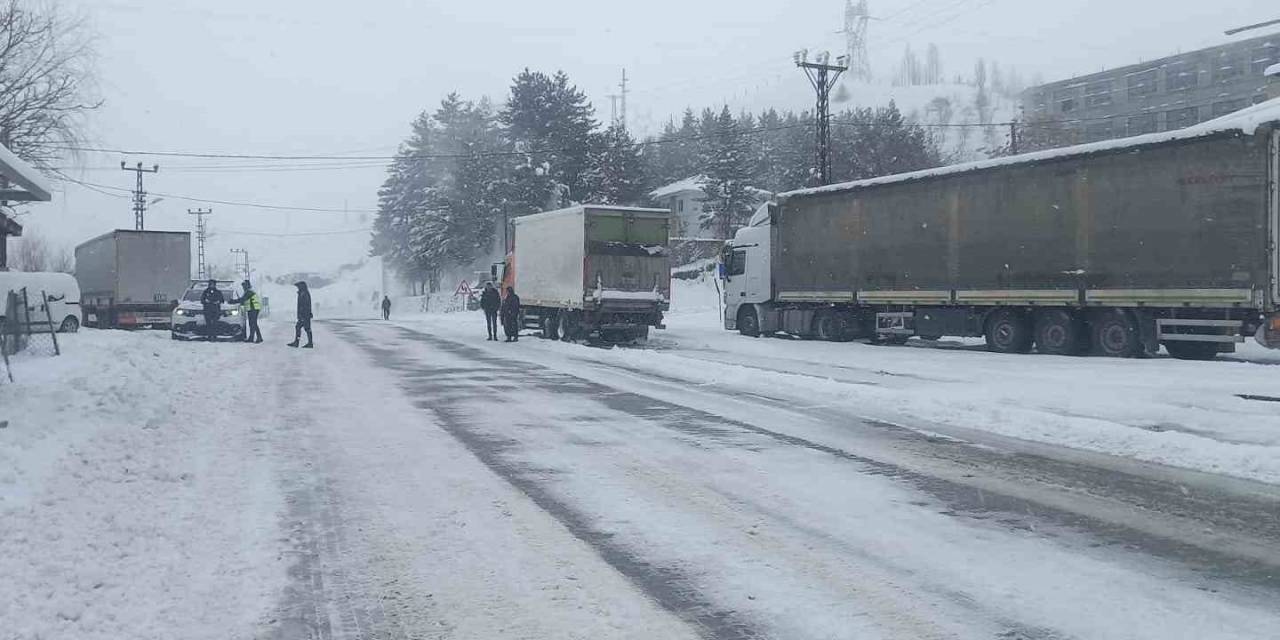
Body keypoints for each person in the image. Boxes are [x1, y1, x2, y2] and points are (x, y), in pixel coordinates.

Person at [288, 281, 314, 348]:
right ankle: (307, 343)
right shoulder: (303, 293)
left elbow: (305, 306)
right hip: (305, 315)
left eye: (298, 286)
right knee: (304, 328)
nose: (297, 288)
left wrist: (302, 315)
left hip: (304, 315)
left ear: (301, 287)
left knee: (302, 328)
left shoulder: (304, 294)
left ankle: (298, 342)